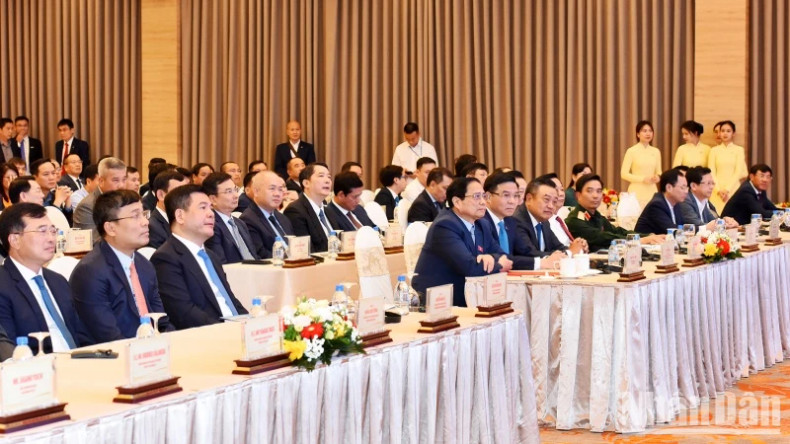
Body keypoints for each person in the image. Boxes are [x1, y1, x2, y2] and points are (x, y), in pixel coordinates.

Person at [70, 191, 172, 342]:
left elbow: (161, 321)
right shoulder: (90, 272)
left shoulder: (144, 265)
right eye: (135, 216)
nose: (145, 222)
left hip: (151, 351)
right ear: (111, 228)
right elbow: (108, 335)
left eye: (144, 214)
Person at [150, 185, 248, 329]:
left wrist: (251, 322)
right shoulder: (166, 259)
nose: (211, 214)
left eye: (210, 208)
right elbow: (184, 313)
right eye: (203, 208)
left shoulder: (211, 256)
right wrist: (229, 330)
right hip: (209, 336)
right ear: (180, 216)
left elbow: (230, 301)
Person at [0, 203, 93, 354]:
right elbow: (8, 350)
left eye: (53, 231)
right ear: (15, 240)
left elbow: (81, 334)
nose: (51, 239)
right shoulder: (3, 285)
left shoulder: (58, 281)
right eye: (42, 231)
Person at [412, 177, 512, 307]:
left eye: (484, 196)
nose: (483, 202)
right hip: (439, 301)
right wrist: (499, 265)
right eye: (476, 197)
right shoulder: (444, 226)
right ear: (457, 202)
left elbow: (502, 255)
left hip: (467, 297)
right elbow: (469, 267)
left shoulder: (482, 224)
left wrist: (490, 258)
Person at [565, 174, 664, 251]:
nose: (595, 195)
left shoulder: (596, 215)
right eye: (590, 191)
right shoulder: (574, 220)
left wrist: (648, 236)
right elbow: (602, 237)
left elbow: (617, 231)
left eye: (599, 191)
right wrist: (639, 240)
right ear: (578, 195)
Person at [512, 177, 587, 268]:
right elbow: (529, 254)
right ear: (529, 199)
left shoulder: (543, 221)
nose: (551, 206)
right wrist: (570, 252)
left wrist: (578, 248)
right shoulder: (516, 220)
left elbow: (557, 247)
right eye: (546, 200)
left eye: (554, 201)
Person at [482, 172, 541, 270]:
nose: (512, 201)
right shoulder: (481, 222)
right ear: (488, 197)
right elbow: (501, 258)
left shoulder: (511, 221)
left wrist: (551, 259)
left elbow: (526, 252)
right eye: (506, 195)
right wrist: (540, 263)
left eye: (516, 196)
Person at [202, 172, 259, 263]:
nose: (236, 195)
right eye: (229, 191)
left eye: (235, 190)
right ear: (212, 199)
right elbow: (221, 264)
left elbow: (253, 256)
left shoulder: (240, 223)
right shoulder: (211, 225)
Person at [240, 171, 294, 258]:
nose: (277, 194)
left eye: (280, 189)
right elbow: (260, 254)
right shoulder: (248, 220)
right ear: (256, 191)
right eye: (272, 188)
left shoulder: (283, 218)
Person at [284, 163, 335, 252]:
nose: (327, 181)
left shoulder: (329, 211)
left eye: (329, 177)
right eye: (321, 176)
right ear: (306, 183)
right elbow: (305, 250)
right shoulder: (295, 211)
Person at [74, 157, 127, 240]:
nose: (121, 185)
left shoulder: (125, 200)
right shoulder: (87, 207)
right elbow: (92, 242)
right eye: (116, 180)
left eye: (124, 180)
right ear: (101, 181)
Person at [621, 120, 662, 208]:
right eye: (644, 131)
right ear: (638, 134)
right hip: (636, 191)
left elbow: (659, 172)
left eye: (650, 131)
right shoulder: (631, 151)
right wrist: (642, 179)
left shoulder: (656, 151)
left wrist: (657, 177)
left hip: (652, 191)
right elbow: (624, 174)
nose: (648, 133)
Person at [634, 169, 689, 234]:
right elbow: (672, 230)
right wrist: (698, 228)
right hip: (646, 243)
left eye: (687, 188)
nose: (686, 191)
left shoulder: (676, 203)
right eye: (683, 187)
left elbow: (681, 226)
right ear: (669, 187)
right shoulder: (656, 205)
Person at [708, 120, 748, 210]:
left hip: (733, 189)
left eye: (728, 131)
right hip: (716, 191)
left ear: (733, 133)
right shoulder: (714, 150)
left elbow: (738, 172)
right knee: (716, 218)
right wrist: (718, 190)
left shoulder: (739, 150)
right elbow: (711, 172)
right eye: (722, 131)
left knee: (733, 218)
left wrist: (727, 190)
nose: (725, 133)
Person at [148, 171, 190, 249]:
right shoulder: (152, 227)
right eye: (178, 192)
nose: (185, 198)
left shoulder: (185, 221)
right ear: (161, 195)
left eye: (186, 193)